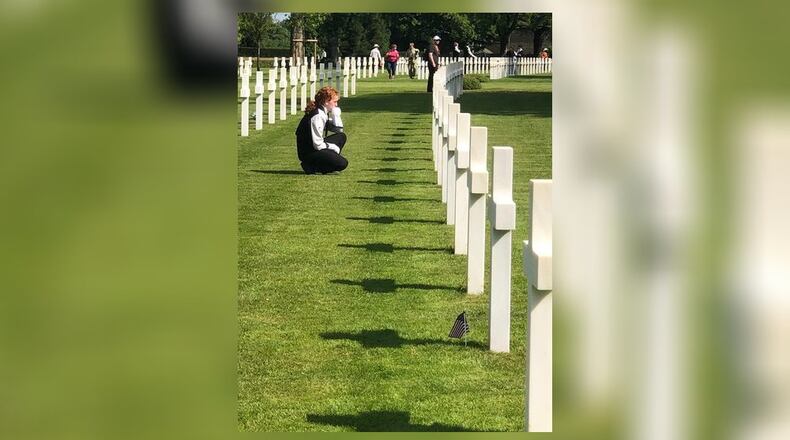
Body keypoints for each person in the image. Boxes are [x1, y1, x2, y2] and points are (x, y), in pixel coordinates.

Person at [295, 86, 348, 174]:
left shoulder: (322, 111)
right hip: (308, 152)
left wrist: (336, 116)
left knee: (341, 137)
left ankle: (327, 162)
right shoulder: (318, 116)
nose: (336, 105)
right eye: (334, 102)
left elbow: (339, 130)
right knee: (342, 163)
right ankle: (312, 166)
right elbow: (317, 145)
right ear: (326, 101)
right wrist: (332, 147)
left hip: (313, 147)